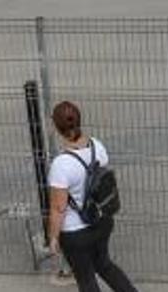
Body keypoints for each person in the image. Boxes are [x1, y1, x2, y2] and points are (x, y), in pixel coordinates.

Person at [47, 101, 138, 292]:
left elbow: (58, 208)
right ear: (79, 120)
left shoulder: (61, 165)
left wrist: (53, 238)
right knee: (105, 265)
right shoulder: (98, 146)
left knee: (86, 279)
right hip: (102, 221)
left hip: (75, 233)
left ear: (57, 128)